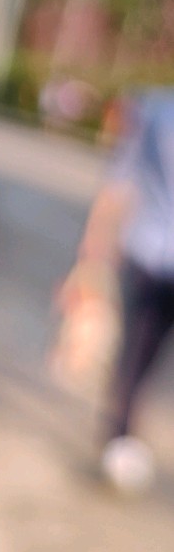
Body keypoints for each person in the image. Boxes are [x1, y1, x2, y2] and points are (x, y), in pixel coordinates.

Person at [62, 88, 174, 493]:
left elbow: (117, 183)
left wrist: (92, 252)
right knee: (137, 355)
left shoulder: (155, 110)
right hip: (150, 256)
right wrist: (92, 256)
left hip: (149, 251)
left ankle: (118, 439)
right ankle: (119, 441)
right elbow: (118, 184)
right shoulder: (153, 111)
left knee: (138, 358)